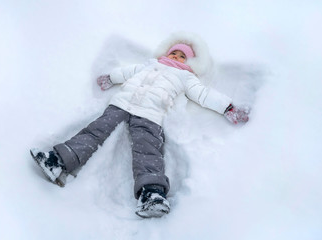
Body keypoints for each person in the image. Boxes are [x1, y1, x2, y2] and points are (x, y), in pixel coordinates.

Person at [30, 32, 249, 218]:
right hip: (120, 105)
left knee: (147, 149)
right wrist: (110, 78)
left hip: (150, 114)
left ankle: (151, 193)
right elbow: (126, 72)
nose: (176, 56)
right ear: (166, 53)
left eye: (182, 56)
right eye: (174, 52)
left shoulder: (186, 77)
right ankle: (58, 161)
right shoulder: (149, 65)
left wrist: (227, 107)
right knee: (94, 131)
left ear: (189, 62)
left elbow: (203, 94)